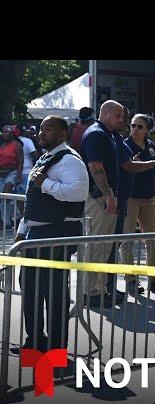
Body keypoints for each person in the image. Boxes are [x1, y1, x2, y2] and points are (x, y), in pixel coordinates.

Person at [12, 116, 89, 353]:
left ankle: (57, 348)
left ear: (63, 134)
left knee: (54, 291)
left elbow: (78, 192)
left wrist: (45, 183)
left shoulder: (71, 160)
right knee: (30, 286)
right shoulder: (46, 158)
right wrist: (21, 231)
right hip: (36, 233)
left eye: (48, 129)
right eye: (41, 129)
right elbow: (32, 199)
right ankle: (35, 341)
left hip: (57, 233)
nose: (41, 133)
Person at [80, 100, 124, 308]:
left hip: (104, 196)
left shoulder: (107, 134)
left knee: (104, 246)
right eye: (118, 116)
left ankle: (100, 288)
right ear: (105, 114)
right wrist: (108, 195)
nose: (121, 120)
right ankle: (91, 292)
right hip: (98, 197)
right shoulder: (97, 133)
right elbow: (95, 166)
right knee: (96, 245)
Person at [122, 114, 155, 293]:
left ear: (147, 130)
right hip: (130, 198)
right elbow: (124, 169)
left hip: (149, 198)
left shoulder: (151, 147)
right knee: (127, 240)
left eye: (140, 126)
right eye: (133, 125)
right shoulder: (125, 145)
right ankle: (131, 280)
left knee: (153, 240)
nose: (135, 129)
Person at [0, 125, 24, 228]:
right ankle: (6, 222)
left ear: (12, 134)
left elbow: (20, 162)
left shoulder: (17, 145)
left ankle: (17, 214)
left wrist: (19, 175)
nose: (4, 134)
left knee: (6, 193)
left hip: (12, 173)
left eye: (6, 132)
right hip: (1, 173)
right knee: (3, 198)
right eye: (3, 132)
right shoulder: (2, 145)